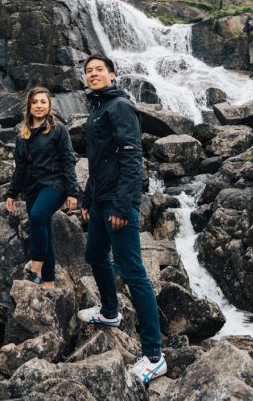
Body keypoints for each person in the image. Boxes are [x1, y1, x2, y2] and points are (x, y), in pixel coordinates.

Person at [77, 54, 167, 385]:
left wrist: (120, 205)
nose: (93, 74)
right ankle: (110, 312)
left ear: (113, 75)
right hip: (100, 201)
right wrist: (88, 198)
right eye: (89, 71)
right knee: (94, 256)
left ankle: (155, 356)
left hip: (118, 205)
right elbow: (99, 161)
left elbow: (132, 159)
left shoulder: (120, 107)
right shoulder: (98, 109)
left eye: (99, 70)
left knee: (133, 273)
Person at [5, 86, 79, 288]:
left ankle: (35, 266)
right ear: (29, 106)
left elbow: (68, 160)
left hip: (55, 184)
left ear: (49, 105)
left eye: (43, 102)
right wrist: (11, 193)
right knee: (43, 227)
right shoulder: (22, 134)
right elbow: (19, 167)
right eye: (35, 102)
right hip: (32, 187)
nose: (39, 105)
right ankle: (48, 283)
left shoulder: (58, 129)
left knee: (37, 216)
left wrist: (73, 192)